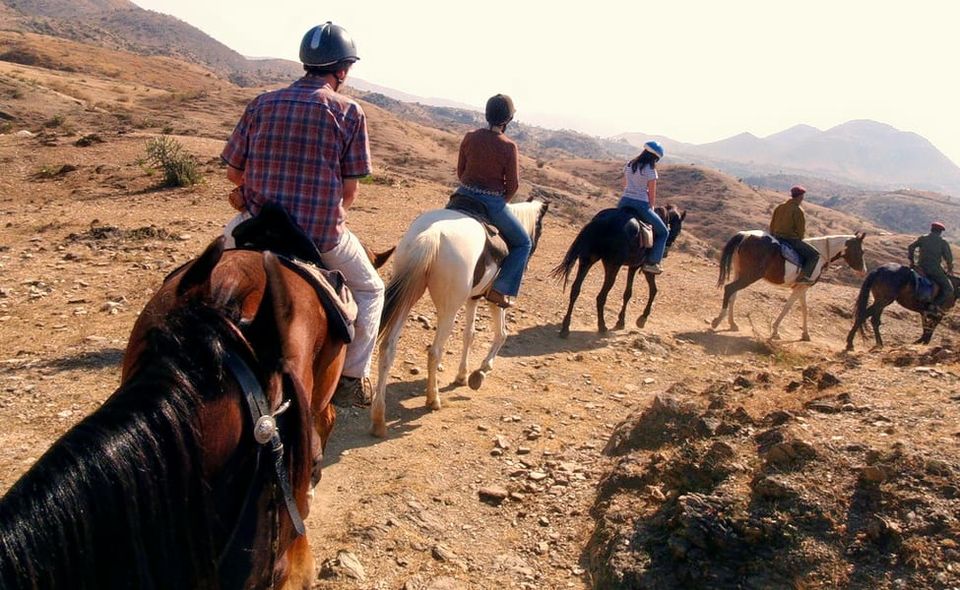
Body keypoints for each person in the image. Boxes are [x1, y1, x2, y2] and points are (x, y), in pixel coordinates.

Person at [221, 21, 384, 406]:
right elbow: (349, 191)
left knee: (211, 271)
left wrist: (249, 192)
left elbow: (232, 170)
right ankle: (352, 378)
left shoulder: (261, 102)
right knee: (371, 290)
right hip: (319, 234)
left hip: (255, 224)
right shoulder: (349, 111)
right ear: (341, 70)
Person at [454, 93, 527, 308]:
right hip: (492, 202)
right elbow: (513, 185)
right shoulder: (508, 146)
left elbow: (461, 171)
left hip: (461, 195)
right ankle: (500, 289)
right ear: (508, 120)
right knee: (524, 243)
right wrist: (501, 201)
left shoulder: (469, 136)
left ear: (486, 114)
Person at [617, 140, 668, 274]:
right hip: (640, 204)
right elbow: (652, 193)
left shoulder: (630, 164)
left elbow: (625, 184)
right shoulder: (650, 170)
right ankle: (653, 262)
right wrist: (650, 207)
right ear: (654, 157)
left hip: (624, 201)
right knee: (664, 232)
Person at [769, 185, 820, 284]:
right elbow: (800, 230)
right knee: (814, 255)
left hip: (776, 237)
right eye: (802, 196)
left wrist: (773, 235)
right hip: (790, 240)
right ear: (800, 196)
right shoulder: (798, 210)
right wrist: (800, 238)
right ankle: (803, 278)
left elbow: (772, 223)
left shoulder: (780, 206)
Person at [908, 221, 955, 314]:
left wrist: (912, 262)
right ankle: (933, 305)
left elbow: (911, 247)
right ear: (940, 232)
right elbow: (948, 259)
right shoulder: (942, 242)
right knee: (949, 289)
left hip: (920, 267)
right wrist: (950, 269)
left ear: (931, 229)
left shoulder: (923, 238)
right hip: (934, 270)